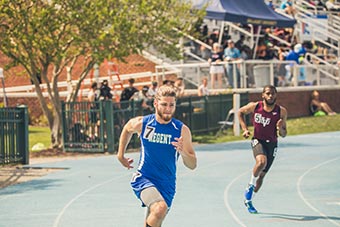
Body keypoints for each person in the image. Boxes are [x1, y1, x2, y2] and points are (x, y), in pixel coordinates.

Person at [117, 85, 197, 227]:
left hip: (167, 183)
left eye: (171, 105)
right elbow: (127, 129)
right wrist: (120, 155)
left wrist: (182, 152)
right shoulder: (144, 123)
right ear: (155, 104)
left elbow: (192, 165)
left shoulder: (181, 130)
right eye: (164, 104)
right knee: (160, 209)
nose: (168, 108)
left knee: (156, 217)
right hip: (144, 177)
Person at [237, 85, 288, 214]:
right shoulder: (256, 107)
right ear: (263, 95)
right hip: (258, 140)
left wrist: (281, 127)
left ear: (276, 95)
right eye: (268, 93)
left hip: (272, 144)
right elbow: (240, 112)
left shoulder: (281, 112)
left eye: (273, 94)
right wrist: (244, 129)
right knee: (261, 162)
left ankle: (249, 200)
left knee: (262, 177)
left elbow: (284, 134)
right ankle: (250, 185)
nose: (270, 96)